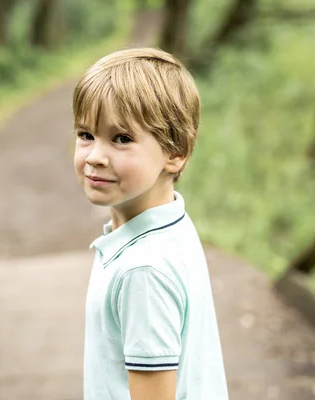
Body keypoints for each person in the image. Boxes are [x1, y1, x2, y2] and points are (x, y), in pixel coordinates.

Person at [73, 47, 228, 400]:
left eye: (121, 139)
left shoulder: (142, 270)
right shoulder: (173, 224)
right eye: (86, 135)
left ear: (175, 153)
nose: (95, 156)